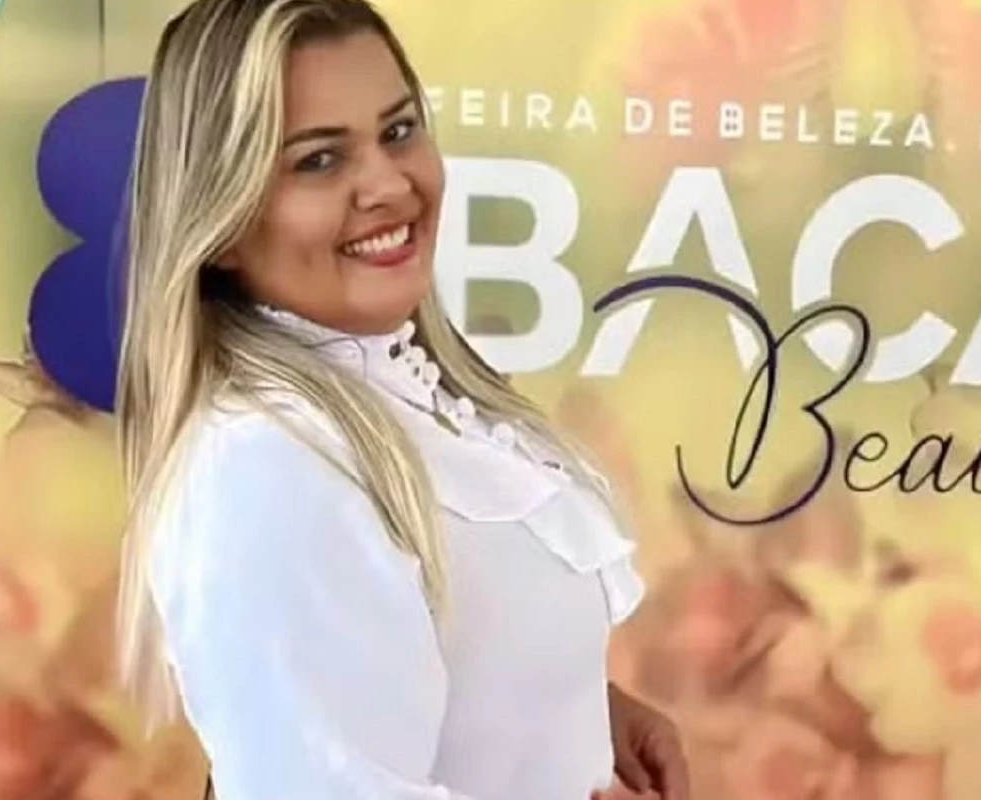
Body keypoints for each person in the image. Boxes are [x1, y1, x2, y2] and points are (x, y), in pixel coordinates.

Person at [112, 1, 689, 798]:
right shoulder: (265, 467)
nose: (388, 184)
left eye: (399, 130)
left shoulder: (395, 388)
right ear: (224, 221)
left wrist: (572, 709)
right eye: (319, 160)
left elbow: (420, 660)